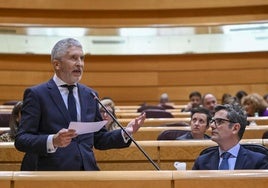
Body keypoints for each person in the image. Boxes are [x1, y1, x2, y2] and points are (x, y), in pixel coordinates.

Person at [14, 38, 146, 171]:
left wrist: (124, 133)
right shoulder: (37, 94)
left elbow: (98, 138)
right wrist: (53, 141)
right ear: (57, 64)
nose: (80, 64)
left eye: (82, 58)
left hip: (87, 172)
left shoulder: (89, 94)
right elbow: (22, 139)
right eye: (73, 58)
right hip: (51, 173)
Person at [192, 104, 268, 170]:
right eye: (213, 121)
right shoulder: (202, 162)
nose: (212, 125)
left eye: (219, 121)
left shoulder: (258, 162)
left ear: (235, 128)